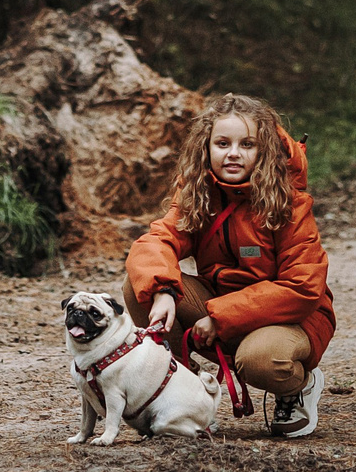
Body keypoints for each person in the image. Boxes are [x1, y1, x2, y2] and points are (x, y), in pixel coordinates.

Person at [123, 92, 333, 437]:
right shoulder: (199, 191)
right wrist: (162, 290)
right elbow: (157, 241)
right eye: (223, 143)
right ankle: (183, 396)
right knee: (140, 285)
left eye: (246, 144)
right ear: (206, 148)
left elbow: (302, 286)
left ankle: (298, 388)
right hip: (221, 306)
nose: (233, 153)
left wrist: (222, 317)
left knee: (260, 361)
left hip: (289, 318)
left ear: (262, 151)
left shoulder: (290, 203)